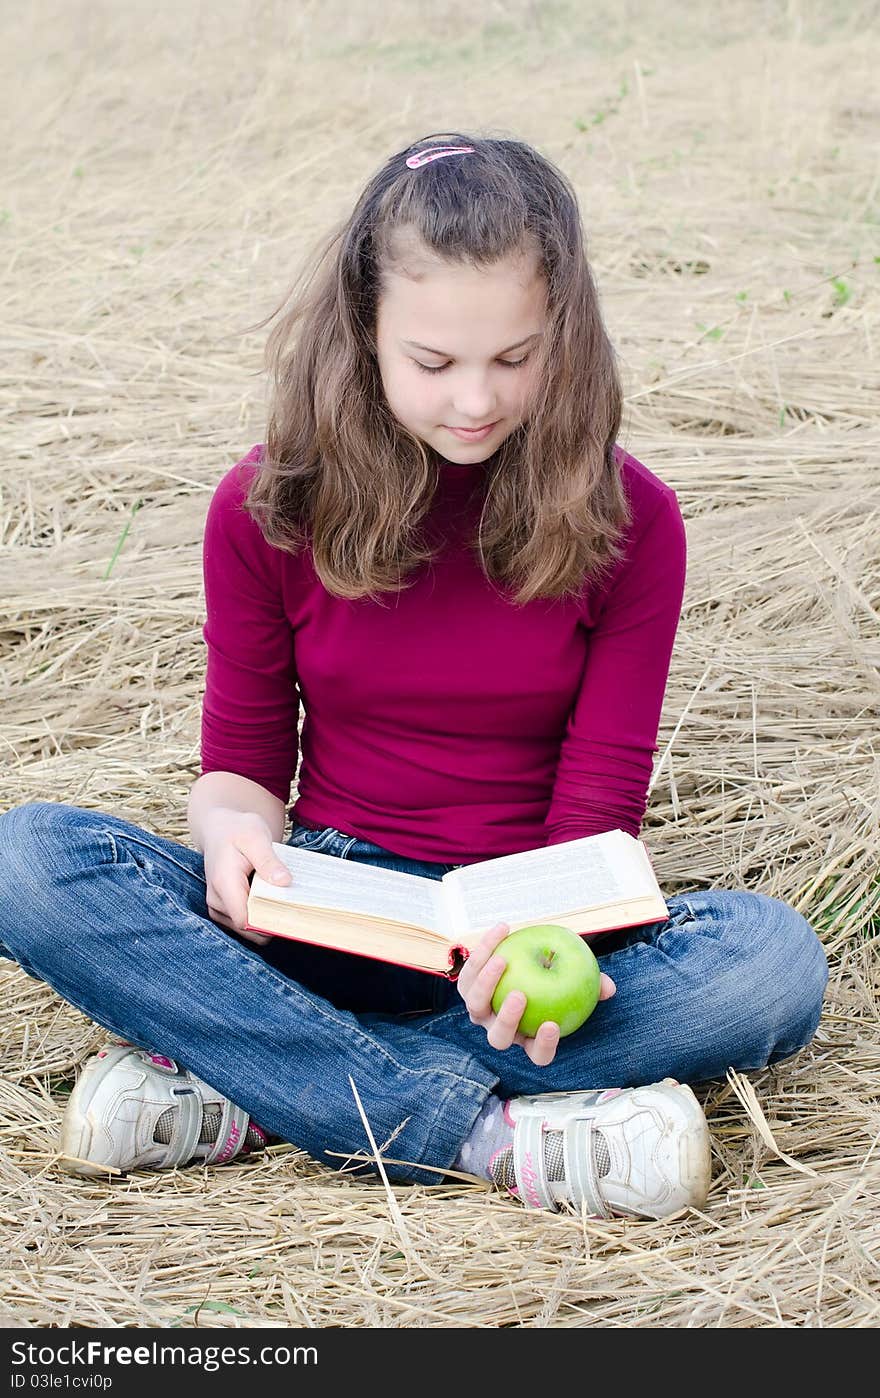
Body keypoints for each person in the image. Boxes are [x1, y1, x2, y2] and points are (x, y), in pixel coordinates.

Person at [0, 133, 828, 1219]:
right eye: (433, 364)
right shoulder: (267, 510)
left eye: (515, 358)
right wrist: (231, 837)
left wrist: (543, 937)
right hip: (327, 916)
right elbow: (241, 769)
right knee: (27, 861)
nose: (476, 400)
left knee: (770, 964)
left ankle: (260, 1085)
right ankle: (485, 1136)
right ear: (362, 336)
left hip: (530, 933)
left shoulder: (636, 522)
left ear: (564, 336)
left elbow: (599, 812)